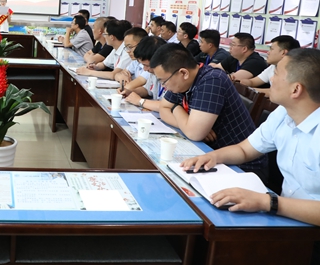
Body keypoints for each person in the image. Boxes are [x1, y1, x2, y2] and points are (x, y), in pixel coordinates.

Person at [180, 49, 320, 229]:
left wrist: (267, 202)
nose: (271, 79)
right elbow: (244, 150)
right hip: (286, 219)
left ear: (296, 89)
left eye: (276, 73)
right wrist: (212, 157)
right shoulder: (283, 114)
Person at [150, 43, 265, 173]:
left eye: (163, 81)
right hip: (208, 154)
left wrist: (176, 109)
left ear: (183, 73)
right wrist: (187, 124)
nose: (163, 86)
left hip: (240, 166)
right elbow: (164, 108)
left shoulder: (212, 80)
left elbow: (194, 133)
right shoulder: (182, 82)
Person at [119, 36, 167, 112]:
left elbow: (168, 106)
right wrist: (130, 92)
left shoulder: (172, 77)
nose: (145, 69)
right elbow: (147, 90)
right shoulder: (153, 72)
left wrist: (140, 101)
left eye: (147, 65)